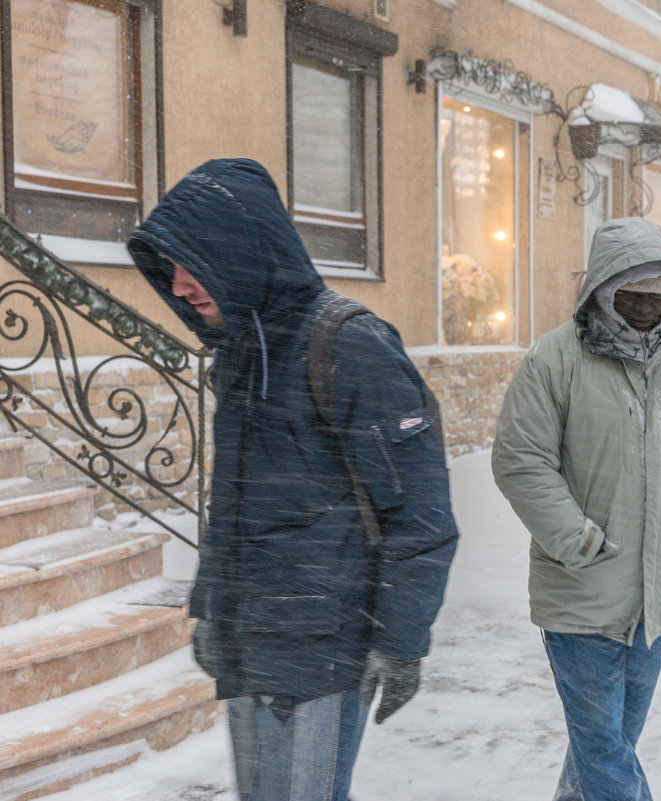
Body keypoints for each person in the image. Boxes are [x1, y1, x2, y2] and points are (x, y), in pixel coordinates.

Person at [127, 159, 459, 801]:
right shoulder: (242, 354)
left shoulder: (349, 345)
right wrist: (212, 613)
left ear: (239, 251)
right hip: (252, 643)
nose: (179, 284)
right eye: (169, 268)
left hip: (323, 650)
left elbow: (419, 512)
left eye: (191, 264)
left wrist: (402, 639)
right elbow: (234, 510)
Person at [491, 217, 661, 801]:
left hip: (659, 592)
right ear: (603, 288)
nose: (649, 304)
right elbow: (520, 460)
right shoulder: (555, 360)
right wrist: (576, 541)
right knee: (604, 752)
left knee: (611, 742)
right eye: (633, 291)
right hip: (581, 591)